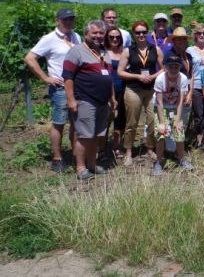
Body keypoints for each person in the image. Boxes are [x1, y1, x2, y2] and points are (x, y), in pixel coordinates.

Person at [24, 8, 81, 173]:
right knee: (59, 123)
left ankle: (77, 156)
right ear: (57, 20)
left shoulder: (76, 36)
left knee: (76, 124)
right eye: (65, 19)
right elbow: (29, 58)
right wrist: (45, 78)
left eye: (71, 19)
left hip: (77, 87)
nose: (69, 22)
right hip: (60, 89)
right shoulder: (48, 39)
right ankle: (57, 158)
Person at [62, 20, 116, 180]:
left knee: (96, 135)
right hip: (85, 99)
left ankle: (92, 165)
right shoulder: (76, 52)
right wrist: (71, 99)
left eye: (101, 33)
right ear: (86, 34)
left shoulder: (104, 52)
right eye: (95, 33)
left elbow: (109, 78)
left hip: (102, 102)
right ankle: (80, 168)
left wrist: (112, 97)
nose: (98, 36)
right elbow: (67, 77)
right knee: (84, 135)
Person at [118, 20, 164, 166]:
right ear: (134, 34)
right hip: (133, 89)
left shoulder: (155, 49)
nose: (141, 35)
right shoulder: (128, 51)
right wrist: (138, 76)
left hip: (151, 89)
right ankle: (128, 151)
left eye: (144, 32)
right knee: (132, 122)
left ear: (147, 32)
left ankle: (150, 148)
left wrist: (154, 76)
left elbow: (164, 68)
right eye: (138, 32)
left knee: (152, 120)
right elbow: (120, 72)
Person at [152, 53, 193, 175]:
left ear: (180, 67)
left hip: (175, 107)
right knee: (160, 134)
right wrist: (162, 123)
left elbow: (180, 102)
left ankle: (181, 159)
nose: (174, 69)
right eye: (171, 66)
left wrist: (177, 120)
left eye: (176, 66)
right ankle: (159, 162)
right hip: (161, 107)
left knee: (179, 133)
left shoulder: (183, 78)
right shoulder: (160, 79)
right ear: (165, 67)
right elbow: (159, 103)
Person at [186, 23, 204, 149]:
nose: (202, 35)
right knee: (198, 114)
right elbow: (187, 70)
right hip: (195, 85)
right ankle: (199, 140)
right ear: (195, 35)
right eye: (199, 33)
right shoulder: (189, 50)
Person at [165, 27, 194, 137]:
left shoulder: (188, 56)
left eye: (183, 39)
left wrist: (190, 93)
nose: (182, 41)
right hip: (174, 93)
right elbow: (167, 76)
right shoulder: (169, 56)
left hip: (186, 92)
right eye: (178, 39)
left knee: (183, 119)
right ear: (174, 41)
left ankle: (179, 144)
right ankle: (171, 148)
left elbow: (190, 75)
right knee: (172, 119)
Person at [104, 26, 126, 158]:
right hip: (106, 90)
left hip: (123, 89)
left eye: (117, 37)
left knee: (120, 119)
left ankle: (116, 147)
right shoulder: (103, 52)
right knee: (106, 120)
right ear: (107, 38)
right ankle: (103, 147)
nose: (115, 39)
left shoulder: (124, 52)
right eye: (111, 37)